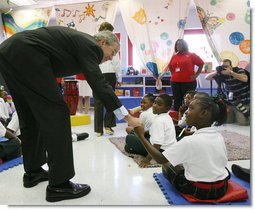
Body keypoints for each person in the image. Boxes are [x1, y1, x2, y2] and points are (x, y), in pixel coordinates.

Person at [0, 26, 141, 202]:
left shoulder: (78, 42)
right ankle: (59, 185)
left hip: (8, 52)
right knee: (57, 113)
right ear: (102, 42)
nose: (111, 58)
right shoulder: (92, 46)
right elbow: (98, 82)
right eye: (112, 52)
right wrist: (127, 117)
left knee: (29, 115)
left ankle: (33, 172)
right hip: (27, 52)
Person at [134, 97, 230, 200]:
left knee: (167, 165)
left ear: (203, 113)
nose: (186, 113)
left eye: (191, 109)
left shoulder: (189, 141)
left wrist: (141, 136)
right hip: (222, 188)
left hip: (198, 190)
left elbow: (160, 159)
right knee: (218, 167)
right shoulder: (219, 136)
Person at [126, 94, 176, 168]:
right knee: (133, 140)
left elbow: (157, 145)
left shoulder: (158, 121)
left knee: (129, 139)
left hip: (160, 152)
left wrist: (147, 160)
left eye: (159, 105)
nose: (155, 106)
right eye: (155, 103)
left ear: (167, 108)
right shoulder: (167, 116)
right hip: (170, 150)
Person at [93, 22, 122, 137]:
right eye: (105, 30)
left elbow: (116, 61)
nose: (108, 33)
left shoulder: (113, 43)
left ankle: (108, 126)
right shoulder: (95, 42)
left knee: (110, 99)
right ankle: (98, 129)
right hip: (96, 73)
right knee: (98, 102)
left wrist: (119, 76)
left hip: (110, 73)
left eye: (110, 31)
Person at [205, 59, 250, 126]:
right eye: (222, 66)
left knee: (242, 122)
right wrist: (217, 71)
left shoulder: (238, 70)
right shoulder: (221, 74)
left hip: (243, 101)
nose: (224, 68)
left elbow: (245, 79)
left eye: (226, 66)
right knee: (228, 121)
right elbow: (207, 78)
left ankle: (246, 113)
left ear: (231, 66)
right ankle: (236, 113)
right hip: (230, 101)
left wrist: (231, 73)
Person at [167, 39, 204, 111]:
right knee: (177, 100)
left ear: (184, 45)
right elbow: (170, 66)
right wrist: (174, 74)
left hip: (188, 82)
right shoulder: (174, 56)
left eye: (180, 44)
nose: (178, 46)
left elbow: (201, 64)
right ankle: (177, 117)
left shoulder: (191, 55)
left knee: (188, 100)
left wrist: (196, 75)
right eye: (177, 44)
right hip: (175, 82)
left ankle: (188, 117)